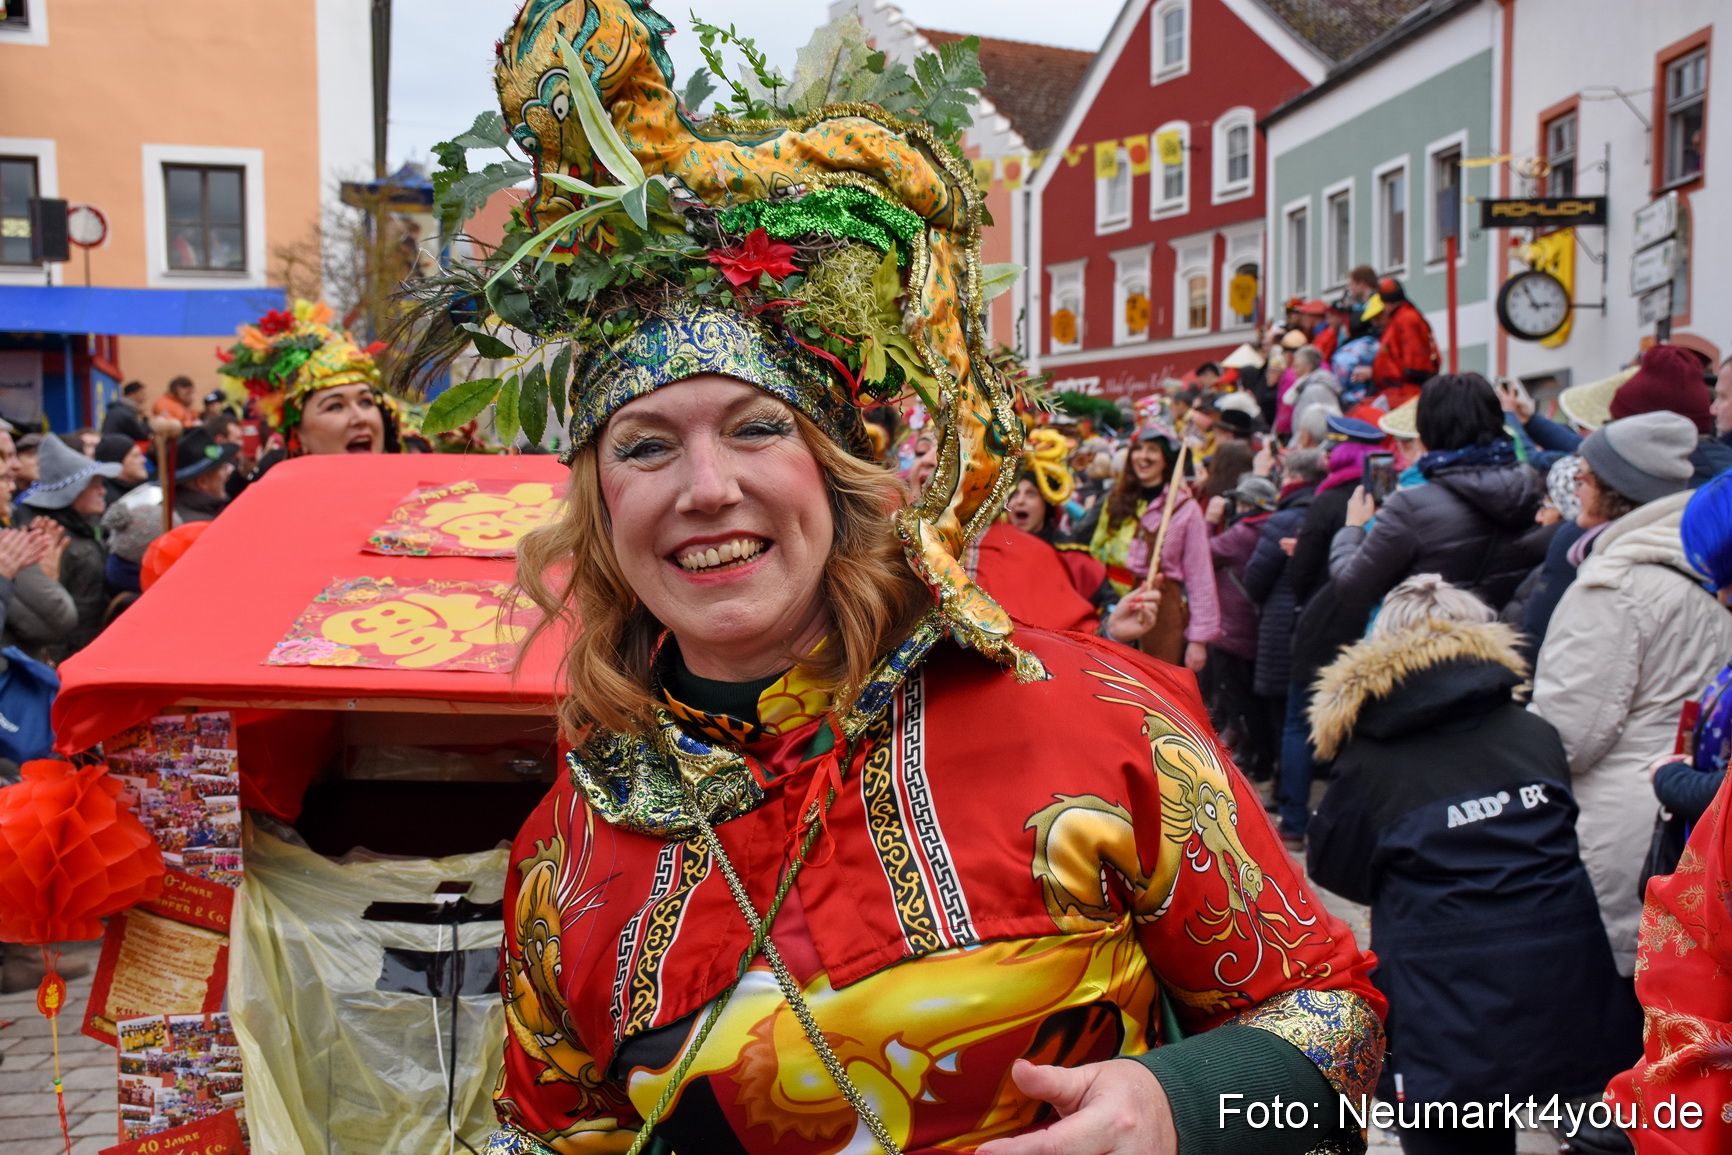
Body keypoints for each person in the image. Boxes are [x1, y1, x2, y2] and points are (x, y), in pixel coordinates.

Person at [464, 9, 1386, 1152]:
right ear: (600, 509)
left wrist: (1175, 1106)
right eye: (646, 446)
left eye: (756, 428)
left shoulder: (1096, 721)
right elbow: (547, 1133)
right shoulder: (565, 853)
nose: (705, 488)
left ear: (837, 470)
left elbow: (1337, 1020)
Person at [1308, 575, 1641, 1155]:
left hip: (1443, 999)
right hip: (1563, 981)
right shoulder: (1535, 733)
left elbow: (1336, 866)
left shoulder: (1370, 760)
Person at [1530, 412, 1732, 976]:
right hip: (1693, 825)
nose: (1575, 487)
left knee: (1623, 1001)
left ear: (1617, 490)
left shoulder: (1615, 584)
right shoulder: (1702, 561)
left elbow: (1568, 736)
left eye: (1585, 476)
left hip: (1622, 832)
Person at [1329, 374, 1546, 612]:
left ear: (1427, 429)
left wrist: (1353, 527)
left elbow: (1352, 587)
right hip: (1502, 631)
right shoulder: (1533, 488)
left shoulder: (1411, 505)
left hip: (1428, 632)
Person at [217, 300, 405, 493]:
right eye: (335, 406)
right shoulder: (278, 509)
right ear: (298, 435)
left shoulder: (416, 502)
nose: (360, 418)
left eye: (366, 402)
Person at [1091, 427, 1220, 670]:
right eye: (1138, 449)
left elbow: (1200, 575)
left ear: (1165, 460)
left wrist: (1198, 640)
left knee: (1150, 682)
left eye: (1152, 450)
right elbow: (1095, 553)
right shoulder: (1115, 499)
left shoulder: (1185, 509)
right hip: (1109, 606)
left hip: (1160, 612)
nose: (1143, 456)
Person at [13, 433, 122, 658]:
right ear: (72, 491)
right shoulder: (49, 539)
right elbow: (51, 616)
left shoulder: (83, 526)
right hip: (72, 656)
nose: (103, 491)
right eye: (94, 484)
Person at [1206, 474, 1280, 780]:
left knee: (1237, 700)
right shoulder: (1272, 528)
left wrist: (1210, 522)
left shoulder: (1242, 533)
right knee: (1252, 700)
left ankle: (1252, 759)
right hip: (1257, 628)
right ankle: (1257, 757)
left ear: (1247, 504)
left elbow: (1202, 554)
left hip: (1232, 632)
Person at [1362, 277, 1438, 405]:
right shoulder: (1400, 319)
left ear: (1387, 303)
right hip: (1398, 392)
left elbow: (1415, 367)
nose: (1376, 323)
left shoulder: (1405, 319)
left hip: (1404, 394)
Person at [170, 426, 239, 522]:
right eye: (223, 469)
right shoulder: (200, 525)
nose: (230, 469)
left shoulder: (205, 510)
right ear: (203, 482)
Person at [94, 433, 149, 507]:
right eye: (136, 456)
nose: (143, 460)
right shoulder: (107, 501)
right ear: (117, 463)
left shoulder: (147, 488)